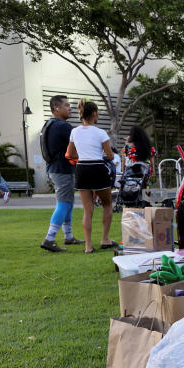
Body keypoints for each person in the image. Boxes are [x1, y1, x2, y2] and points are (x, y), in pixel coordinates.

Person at [65, 99, 115, 253]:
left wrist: (82, 154)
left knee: (88, 210)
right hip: (98, 168)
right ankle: (105, 239)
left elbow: (69, 154)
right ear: (94, 114)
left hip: (82, 169)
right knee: (107, 204)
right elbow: (111, 156)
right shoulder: (101, 133)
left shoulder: (74, 131)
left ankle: (88, 246)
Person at [40, 95, 84, 252]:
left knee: (68, 203)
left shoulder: (49, 124)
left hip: (54, 168)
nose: (69, 108)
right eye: (66, 105)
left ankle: (69, 236)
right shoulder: (63, 126)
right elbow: (79, 145)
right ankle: (49, 239)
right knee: (64, 203)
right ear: (56, 108)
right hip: (62, 170)